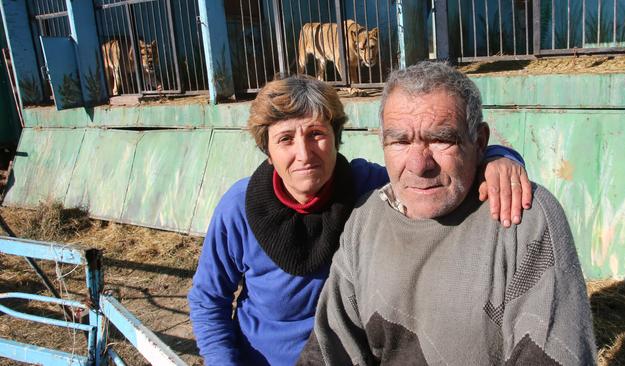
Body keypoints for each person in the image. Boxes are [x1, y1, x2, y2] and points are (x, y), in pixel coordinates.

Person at [188, 74, 532, 366]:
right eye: (285, 139)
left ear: (336, 138)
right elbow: (207, 300)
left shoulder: (366, 188)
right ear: (267, 150)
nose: (304, 154)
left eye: (316, 134)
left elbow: (432, 174)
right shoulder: (239, 208)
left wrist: (500, 158)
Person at [298, 62, 597, 365]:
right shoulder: (366, 219)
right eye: (400, 141)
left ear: (479, 142)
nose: (418, 164)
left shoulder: (521, 217)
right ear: (383, 142)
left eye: (441, 139)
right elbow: (328, 349)